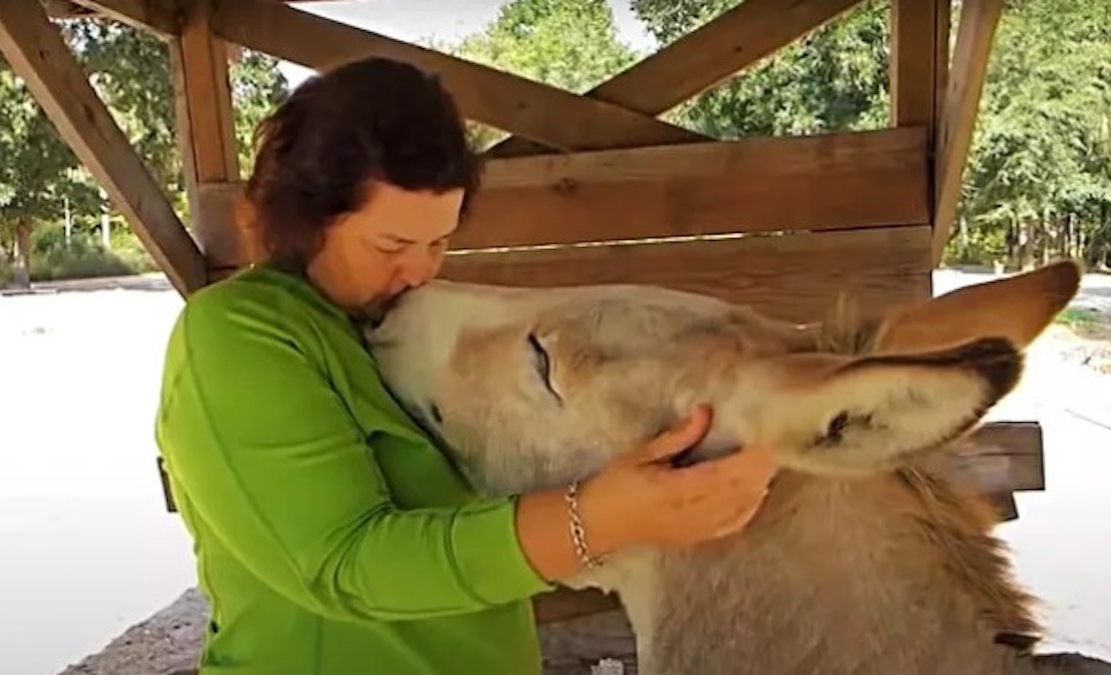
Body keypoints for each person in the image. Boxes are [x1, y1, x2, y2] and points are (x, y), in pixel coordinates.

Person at [154, 56, 778, 675]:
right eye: (391, 245)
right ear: (303, 218)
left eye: (440, 241)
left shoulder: (391, 321)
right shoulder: (235, 334)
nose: (421, 271)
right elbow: (345, 567)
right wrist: (599, 518)